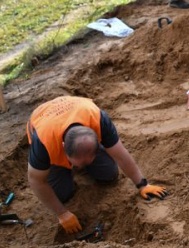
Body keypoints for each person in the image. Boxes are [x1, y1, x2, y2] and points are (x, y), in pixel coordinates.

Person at [26, 96, 168, 234]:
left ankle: (85, 158)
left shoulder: (99, 120)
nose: (81, 166)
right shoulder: (43, 144)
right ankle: (62, 169)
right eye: (79, 163)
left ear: (97, 142)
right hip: (44, 121)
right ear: (63, 148)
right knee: (61, 194)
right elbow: (36, 180)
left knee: (109, 175)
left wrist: (142, 184)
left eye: (88, 160)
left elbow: (121, 154)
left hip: (79, 111)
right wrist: (62, 213)